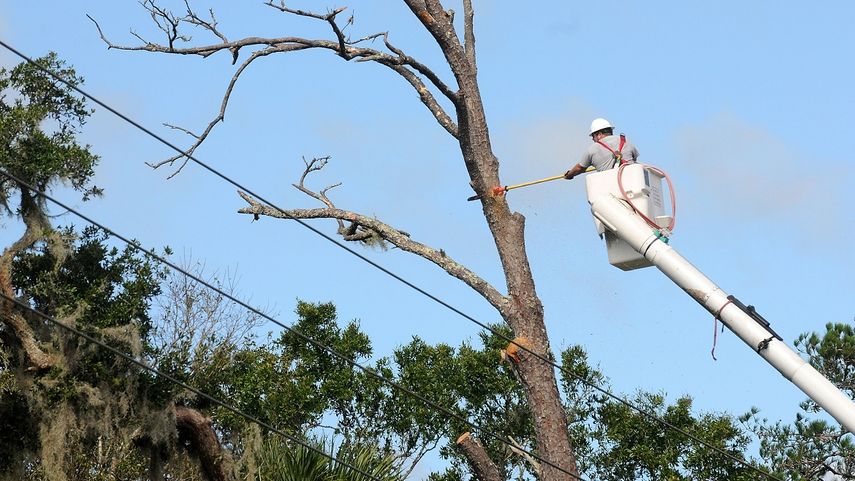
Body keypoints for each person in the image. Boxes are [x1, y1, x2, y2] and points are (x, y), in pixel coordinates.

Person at [564, 118, 639, 180]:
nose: (593, 139)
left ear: (599, 134)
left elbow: (580, 168)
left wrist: (570, 174)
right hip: (633, 180)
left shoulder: (592, 149)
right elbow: (634, 159)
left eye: (593, 136)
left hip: (612, 187)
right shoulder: (626, 141)